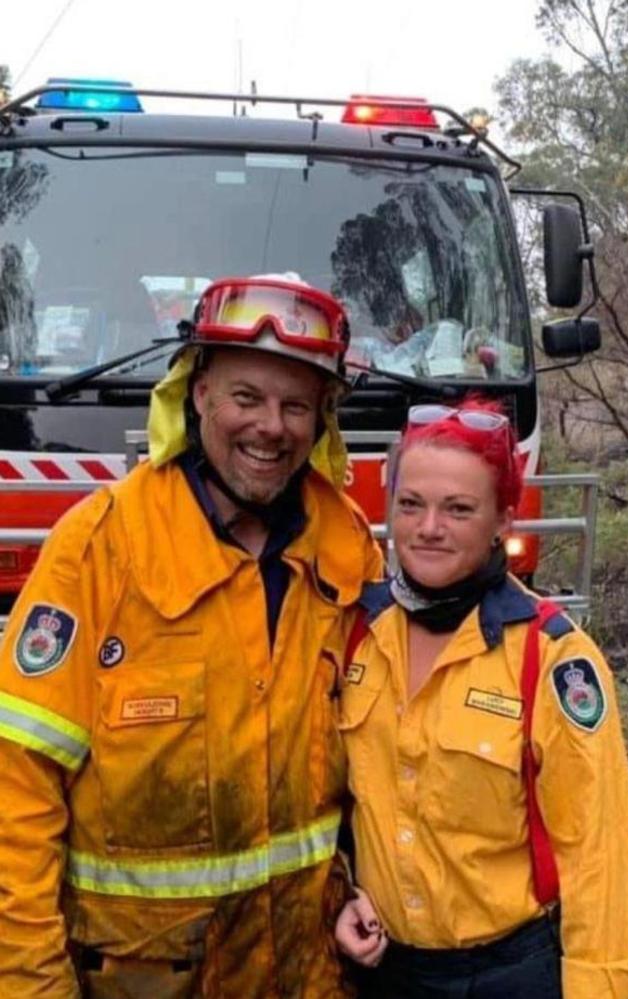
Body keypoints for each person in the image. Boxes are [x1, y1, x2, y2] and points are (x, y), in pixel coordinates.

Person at [0, 274, 383, 998]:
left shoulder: (347, 549)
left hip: (310, 976)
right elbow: (15, 792)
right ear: (198, 392)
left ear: (322, 418)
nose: (272, 426)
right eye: (246, 397)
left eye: (296, 404)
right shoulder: (99, 548)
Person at [335, 398, 628, 998]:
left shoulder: (551, 659)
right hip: (380, 972)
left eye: (459, 509)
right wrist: (340, 893)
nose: (429, 528)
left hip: (504, 976)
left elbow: (599, 856)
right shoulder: (357, 634)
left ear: (503, 521)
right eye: (411, 504)